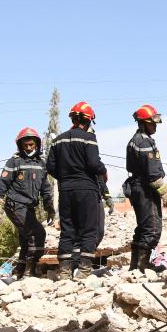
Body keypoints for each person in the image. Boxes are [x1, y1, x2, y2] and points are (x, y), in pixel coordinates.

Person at [46, 102, 108, 279]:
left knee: (67, 231)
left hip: (66, 190)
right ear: (88, 121)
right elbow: (93, 163)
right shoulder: (89, 138)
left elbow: (50, 166)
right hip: (87, 190)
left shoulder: (58, 140)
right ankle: (83, 271)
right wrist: (103, 171)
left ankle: (64, 272)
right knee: (89, 230)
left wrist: (65, 178)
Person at [0, 127, 55, 279]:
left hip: (29, 207)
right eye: (25, 145)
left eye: (31, 145)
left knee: (26, 237)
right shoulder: (14, 162)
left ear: (37, 145)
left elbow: (45, 188)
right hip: (15, 205)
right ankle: (30, 270)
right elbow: (1, 186)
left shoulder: (41, 163)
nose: (28, 148)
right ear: (20, 145)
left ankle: (20, 270)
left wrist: (49, 207)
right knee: (37, 233)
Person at [125, 105, 167, 272]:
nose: (155, 126)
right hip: (146, 188)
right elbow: (152, 172)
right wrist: (163, 191)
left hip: (138, 187)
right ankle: (142, 267)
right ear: (143, 123)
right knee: (151, 229)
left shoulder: (137, 140)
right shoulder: (143, 141)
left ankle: (135, 267)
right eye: (152, 123)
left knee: (143, 228)